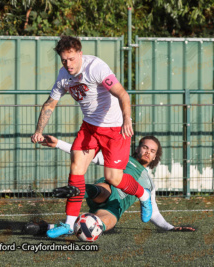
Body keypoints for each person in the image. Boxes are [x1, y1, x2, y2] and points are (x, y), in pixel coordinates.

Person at [31, 36, 152, 238]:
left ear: (79, 54)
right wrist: (38, 131)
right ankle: (69, 224)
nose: (68, 64)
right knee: (76, 168)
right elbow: (49, 104)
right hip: (89, 128)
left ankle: (144, 195)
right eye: (63, 60)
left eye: (71, 59)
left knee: (114, 178)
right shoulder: (63, 76)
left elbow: (122, 93)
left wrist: (127, 120)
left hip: (115, 130)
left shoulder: (96, 67)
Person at [23, 135, 195, 236]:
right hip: (105, 191)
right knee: (106, 188)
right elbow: (87, 154)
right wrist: (58, 143)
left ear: (156, 156)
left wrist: (171, 227)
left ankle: (46, 227)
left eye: (152, 151)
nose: (147, 152)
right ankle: (82, 190)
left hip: (114, 207)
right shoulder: (122, 159)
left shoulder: (150, 184)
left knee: (101, 223)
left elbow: (153, 213)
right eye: (145, 147)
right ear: (138, 148)